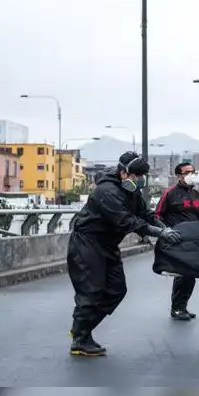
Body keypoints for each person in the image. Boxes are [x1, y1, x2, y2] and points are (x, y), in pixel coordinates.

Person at [67, 152, 182, 357]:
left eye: (142, 175)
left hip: (108, 245)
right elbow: (127, 221)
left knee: (116, 290)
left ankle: (81, 328)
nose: (140, 179)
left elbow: (146, 215)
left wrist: (165, 228)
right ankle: (80, 338)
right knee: (91, 291)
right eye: (136, 174)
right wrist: (159, 233)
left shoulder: (132, 192)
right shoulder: (106, 192)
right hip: (87, 243)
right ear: (123, 173)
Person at [156, 160, 199, 320]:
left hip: (194, 241)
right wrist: (166, 232)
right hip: (177, 241)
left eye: (193, 172)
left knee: (190, 275)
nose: (191, 175)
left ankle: (183, 306)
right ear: (178, 176)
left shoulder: (196, 194)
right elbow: (157, 216)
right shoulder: (170, 194)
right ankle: (176, 308)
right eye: (187, 172)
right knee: (182, 274)